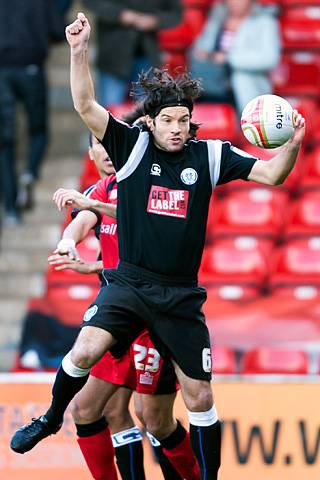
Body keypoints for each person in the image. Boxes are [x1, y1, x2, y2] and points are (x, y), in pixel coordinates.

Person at [10, 12, 305, 480]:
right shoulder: (131, 146)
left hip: (180, 295)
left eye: (184, 121)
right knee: (83, 352)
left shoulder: (210, 155)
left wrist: (293, 142)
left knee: (199, 399)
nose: (176, 128)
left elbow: (271, 174)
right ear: (151, 121)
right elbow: (86, 103)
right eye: (167, 120)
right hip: (130, 283)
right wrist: (79, 49)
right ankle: (49, 418)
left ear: (192, 122)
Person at [48, 132, 199, 479]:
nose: (107, 152)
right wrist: (75, 248)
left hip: (153, 316)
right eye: (99, 145)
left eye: (111, 144)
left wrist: (101, 265)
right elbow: (84, 226)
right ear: (89, 152)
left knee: (153, 417)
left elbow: (156, 243)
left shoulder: (148, 186)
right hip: (116, 316)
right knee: (103, 410)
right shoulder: (95, 193)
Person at [0, 0, 65, 226]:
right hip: (31, 67)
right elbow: (58, 31)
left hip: (2, 71)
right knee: (39, 131)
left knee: (4, 144)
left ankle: (11, 210)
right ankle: (29, 172)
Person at [82, 0, 182, 105]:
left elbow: (176, 12)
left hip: (147, 55)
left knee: (146, 112)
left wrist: (155, 20)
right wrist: (120, 14)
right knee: (110, 111)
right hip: (113, 55)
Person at [190, 0, 280, 115]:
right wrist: (203, 53)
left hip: (244, 88)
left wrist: (228, 58)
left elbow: (269, 58)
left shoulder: (265, 21)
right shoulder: (218, 17)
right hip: (211, 85)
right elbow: (202, 46)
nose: (235, 2)